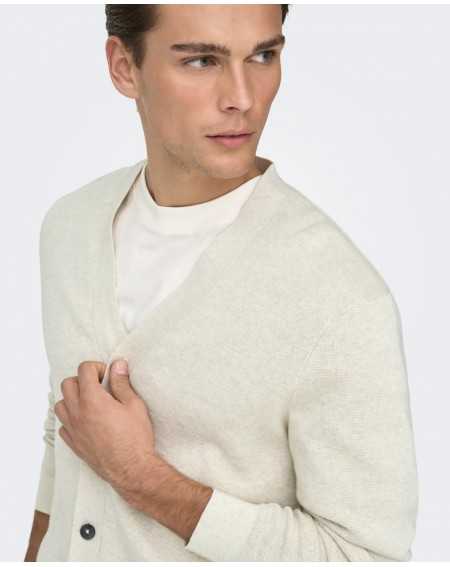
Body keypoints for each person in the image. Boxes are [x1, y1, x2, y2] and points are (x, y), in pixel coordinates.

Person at [25, 4, 418, 562]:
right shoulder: (71, 226)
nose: (242, 97)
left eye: (263, 55)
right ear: (124, 66)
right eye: (202, 61)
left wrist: (141, 476)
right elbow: (65, 435)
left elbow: (365, 555)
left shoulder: (341, 298)